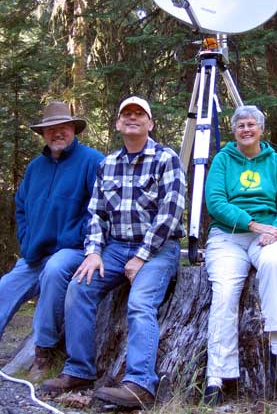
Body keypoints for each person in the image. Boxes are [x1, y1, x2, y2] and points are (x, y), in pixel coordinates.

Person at [41, 95, 186, 407]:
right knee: (79, 287)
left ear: (150, 123)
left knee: (140, 303)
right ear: (119, 123)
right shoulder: (107, 165)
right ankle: (79, 369)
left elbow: (170, 214)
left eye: (139, 114)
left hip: (158, 249)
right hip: (117, 247)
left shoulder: (166, 159)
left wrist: (141, 257)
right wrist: (93, 252)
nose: (132, 118)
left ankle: (140, 384)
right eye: (126, 114)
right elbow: (96, 215)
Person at [0, 101, 104, 381]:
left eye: (63, 127)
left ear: (73, 129)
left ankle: (43, 353)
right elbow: (20, 205)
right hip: (35, 253)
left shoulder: (92, 161)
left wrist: (77, 237)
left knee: (55, 271)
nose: (57, 133)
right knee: (5, 287)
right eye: (51, 129)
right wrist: (26, 236)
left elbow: (101, 208)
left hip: (73, 250)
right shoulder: (35, 168)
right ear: (43, 133)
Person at [203, 105, 277, 405]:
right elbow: (215, 201)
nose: (246, 129)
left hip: (269, 233)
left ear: (260, 129)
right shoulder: (222, 160)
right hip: (228, 236)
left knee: (272, 264)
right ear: (234, 130)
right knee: (225, 292)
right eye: (240, 125)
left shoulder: (276, 162)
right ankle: (218, 376)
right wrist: (252, 224)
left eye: (251, 124)